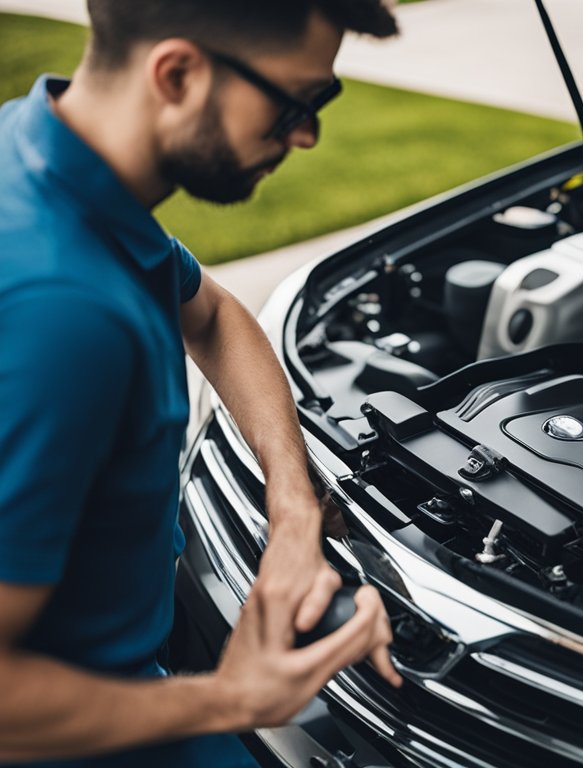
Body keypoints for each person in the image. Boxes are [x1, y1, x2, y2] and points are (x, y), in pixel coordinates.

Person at [0, 1, 405, 765]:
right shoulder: (63, 314)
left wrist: (292, 507)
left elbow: (213, 312)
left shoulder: (44, 152)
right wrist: (235, 697)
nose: (307, 134)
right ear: (178, 73)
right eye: (296, 102)